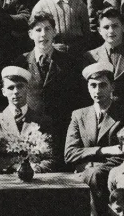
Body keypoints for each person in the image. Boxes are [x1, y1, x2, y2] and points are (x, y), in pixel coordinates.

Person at [66, 62, 124, 197]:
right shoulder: (79, 115)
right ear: (88, 88)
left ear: (112, 87)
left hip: (116, 171)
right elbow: (69, 153)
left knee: (95, 175)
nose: (97, 91)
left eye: (103, 85)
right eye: (93, 85)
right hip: (88, 173)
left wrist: (93, 165)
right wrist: (103, 150)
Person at [14, 12, 85, 141]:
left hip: (62, 130)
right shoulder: (21, 62)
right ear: (31, 34)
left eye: (47, 29)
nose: (43, 34)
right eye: (38, 30)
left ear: (55, 32)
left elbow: (77, 97)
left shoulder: (68, 62)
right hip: (31, 130)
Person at [0, 66, 56, 173]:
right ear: (3, 92)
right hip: (2, 180)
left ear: (28, 89)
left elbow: (50, 157)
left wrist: (37, 168)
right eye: (10, 88)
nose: (15, 91)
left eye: (20, 87)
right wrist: (16, 166)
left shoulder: (43, 120)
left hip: (36, 179)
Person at [86, 7, 124, 107]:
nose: (111, 31)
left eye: (115, 26)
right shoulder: (90, 56)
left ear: (123, 27)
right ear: (99, 30)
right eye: (106, 27)